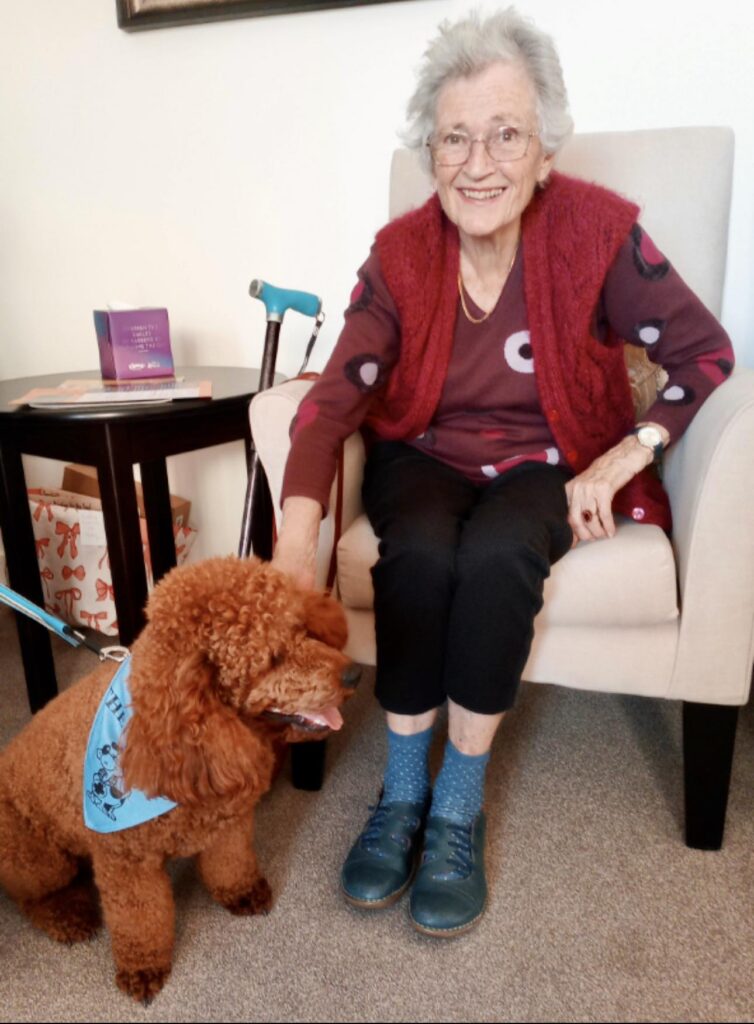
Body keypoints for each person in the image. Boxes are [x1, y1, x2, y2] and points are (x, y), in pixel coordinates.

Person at [271, 7, 734, 937]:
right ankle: (403, 791)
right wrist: (292, 551)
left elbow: (705, 354)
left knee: (497, 559)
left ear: (545, 150)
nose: (478, 163)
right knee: (418, 556)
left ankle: (455, 807)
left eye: (505, 134)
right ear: (430, 153)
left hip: (550, 457)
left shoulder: (599, 235)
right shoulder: (401, 256)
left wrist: (627, 454)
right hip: (421, 454)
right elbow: (331, 400)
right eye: (455, 138)